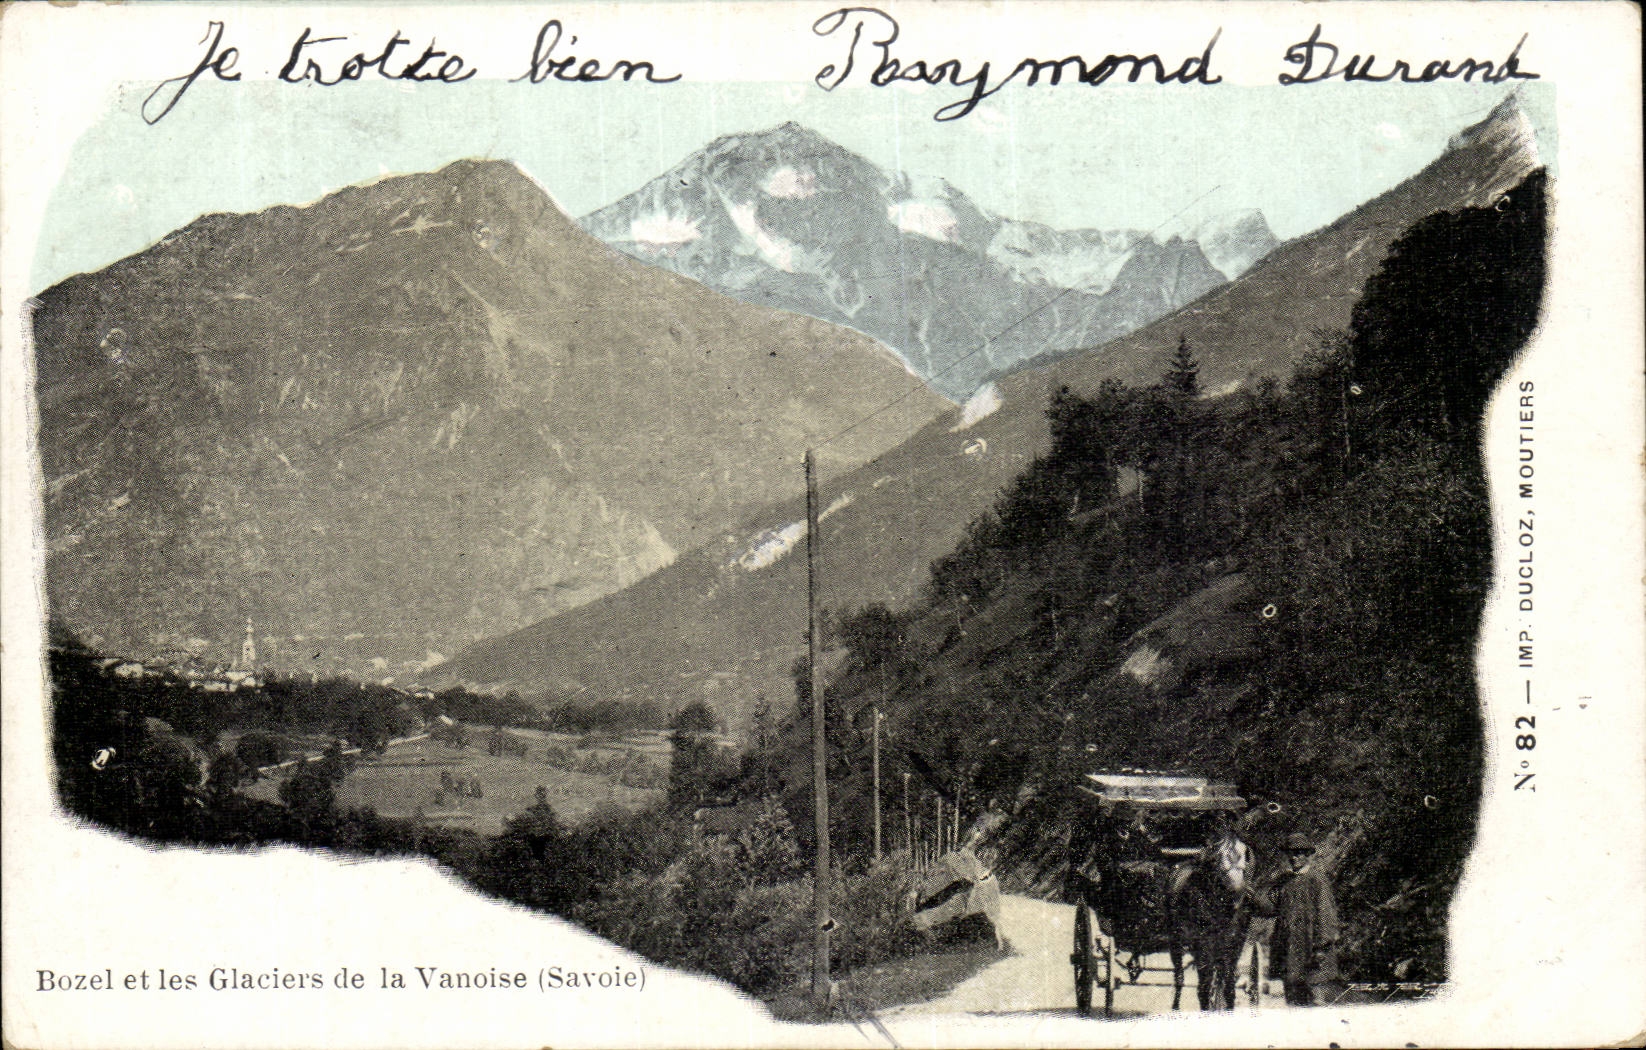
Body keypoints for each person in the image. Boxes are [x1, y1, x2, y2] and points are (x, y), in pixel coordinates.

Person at [1268, 832, 1341, 1006]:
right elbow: (1272, 907)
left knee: (1316, 1002)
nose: (1294, 857)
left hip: (1313, 953)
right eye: (1291, 853)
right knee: (1293, 1003)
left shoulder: (1317, 881)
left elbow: (1326, 916)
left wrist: (1322, 947)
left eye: (1299, 853)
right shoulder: (1285, 881)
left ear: (1308, 854)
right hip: (1290, 953)